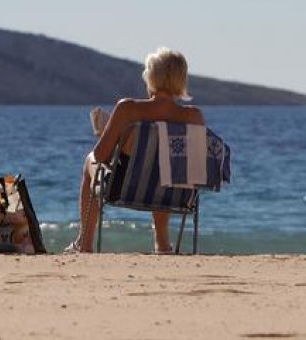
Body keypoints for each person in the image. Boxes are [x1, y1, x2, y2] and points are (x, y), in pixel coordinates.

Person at [66, 47, 204, 254]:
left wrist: (109, 136)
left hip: (124, 189)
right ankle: (163, 244)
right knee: (164, 170)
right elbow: (194, 165)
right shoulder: (194, 117)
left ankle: (84, 244)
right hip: (177, 194)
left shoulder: (128, 109)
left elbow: (100, 156)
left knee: (89, 160)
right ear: (181, 79)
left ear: (151, 77)